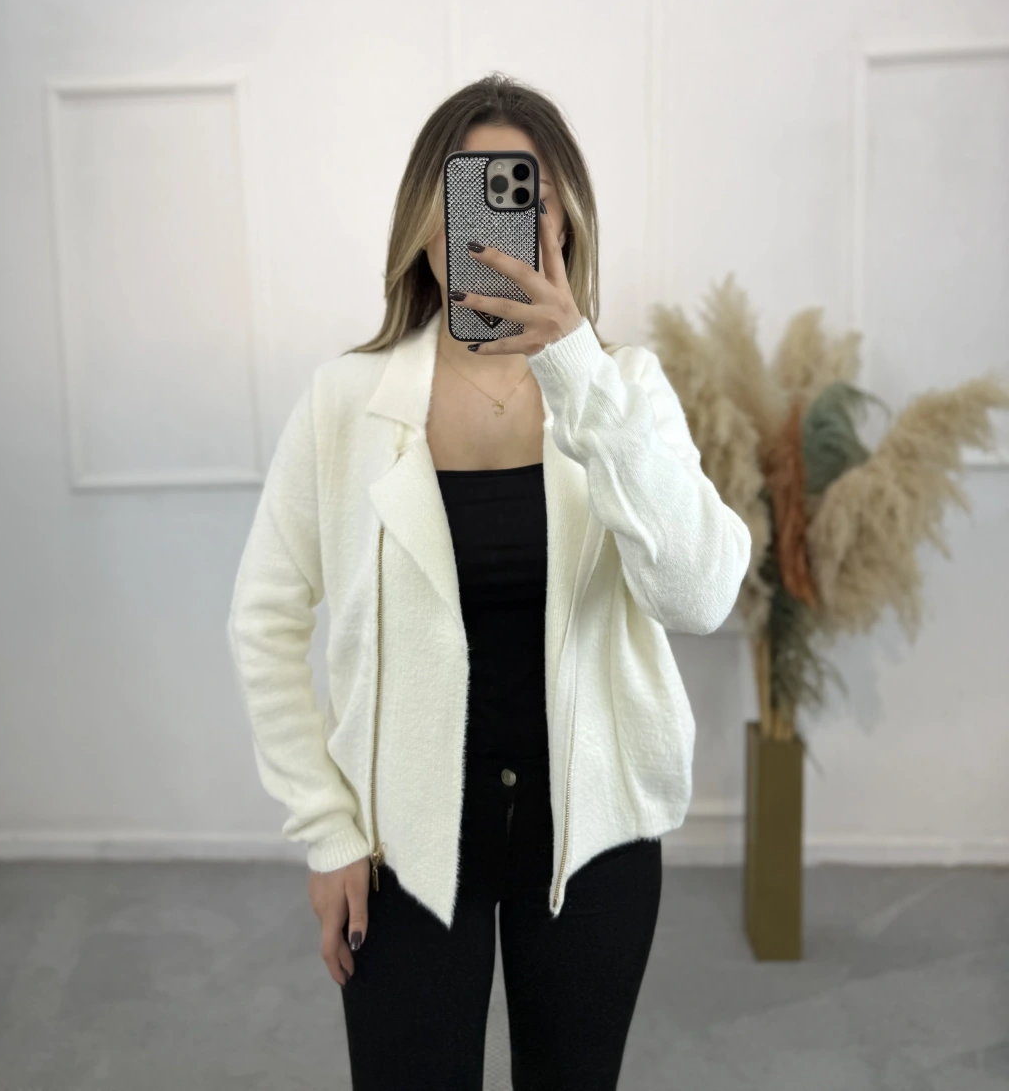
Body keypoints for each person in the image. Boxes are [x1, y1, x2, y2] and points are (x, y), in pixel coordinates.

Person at [226, 72, 752, 1088]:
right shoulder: (345, 402)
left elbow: (698, 595)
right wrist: (326, 830)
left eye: (525, 194)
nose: (498, 222)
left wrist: (575, 366)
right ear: (425, 220)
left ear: (566, 220)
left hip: (592, 840)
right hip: (402, 849)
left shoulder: (622, 388)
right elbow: (264, 619)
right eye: (471, 193)